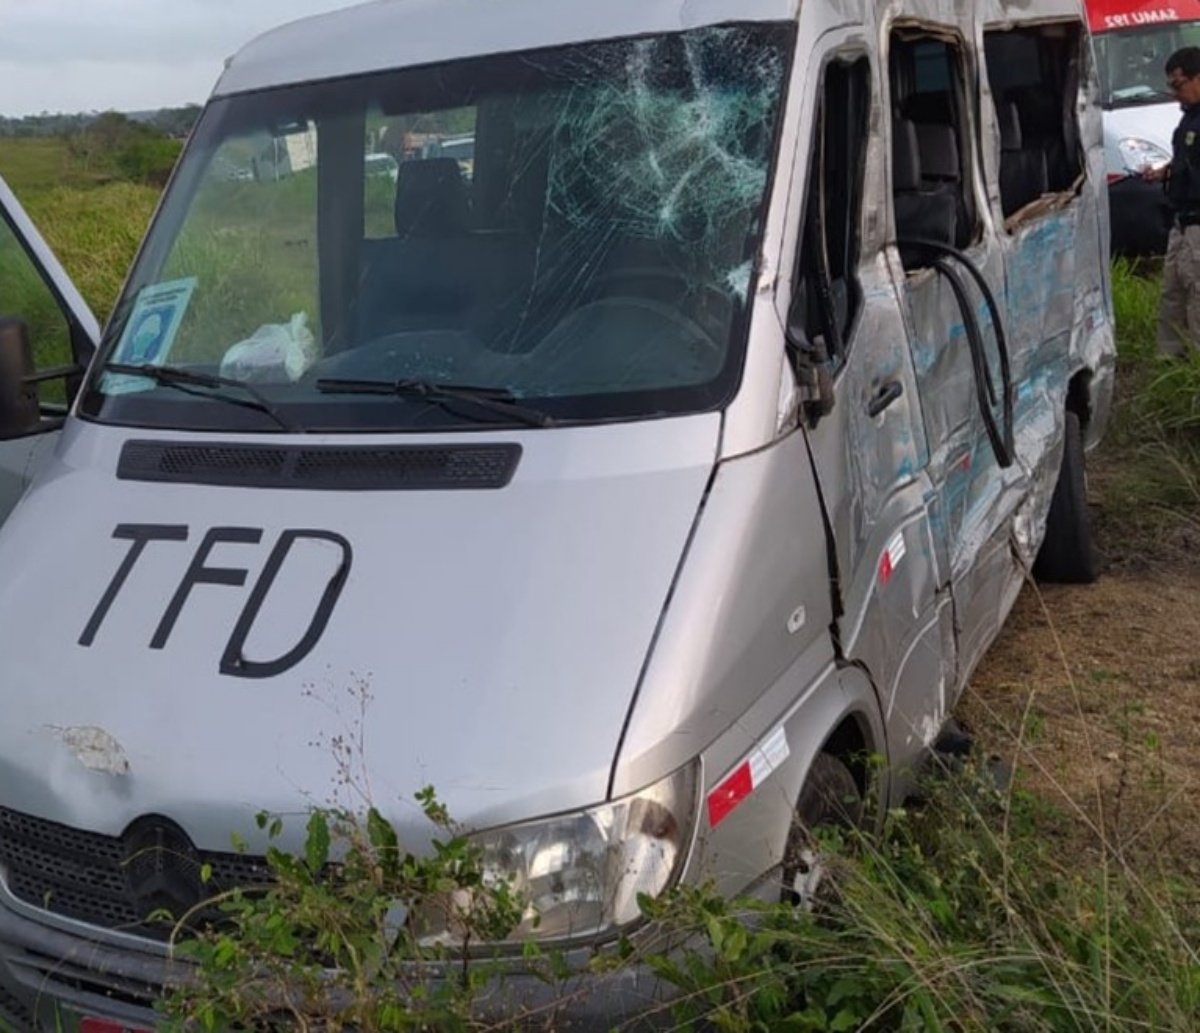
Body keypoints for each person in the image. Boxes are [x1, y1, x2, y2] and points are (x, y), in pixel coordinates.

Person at [1145, 46, 1200, 357]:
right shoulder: (1190, 119)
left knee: (1197, 299)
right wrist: (1164, 172)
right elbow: (1189, 161)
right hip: (1181, 221)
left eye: (1178, 85)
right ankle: (1170, 366)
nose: (1174, 94)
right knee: (1172, 295)